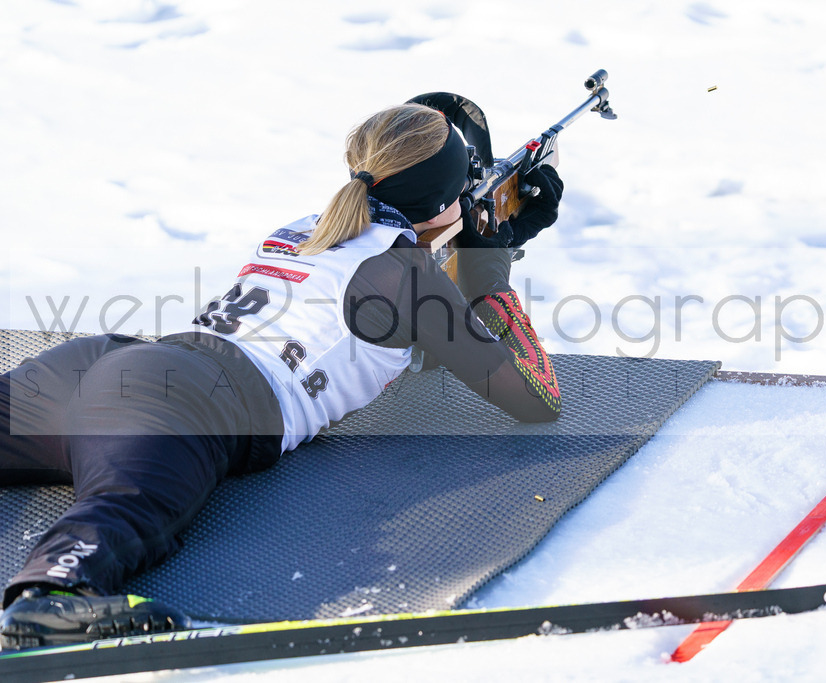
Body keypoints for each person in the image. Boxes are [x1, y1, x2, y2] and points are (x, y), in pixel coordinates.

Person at [0, 101, 563, 649]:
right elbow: (533, 397)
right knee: (123, 506)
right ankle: (49, 598)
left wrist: (484, 241)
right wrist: (493, 268)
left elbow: (413, 334)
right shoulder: (408, 280)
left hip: (95, 365)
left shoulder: (309, 226)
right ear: (444, 200)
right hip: (190, 404)